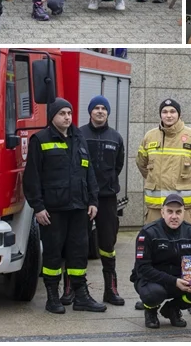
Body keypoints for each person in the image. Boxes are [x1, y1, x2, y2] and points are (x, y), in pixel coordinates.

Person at [22, 98, 105, 315]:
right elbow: (32, 178)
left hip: (79, 209)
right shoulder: (40, 140)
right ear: (52, 116)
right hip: (53, 211)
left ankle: (81, 297)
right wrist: (38, 207)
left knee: (78, 255)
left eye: (69, 113)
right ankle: (52, 296)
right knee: (52, 256)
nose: (67, 117)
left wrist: (93, 201)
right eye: (62, 113)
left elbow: (89, 173)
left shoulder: (79, 138)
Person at [136, 98, 191, 315]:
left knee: (188, 254)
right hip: (154, 209)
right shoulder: (149, 137)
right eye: (165, 111)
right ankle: (146, 292)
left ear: (179, 115)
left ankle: (190, 297)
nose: (168, 115)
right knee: (148, 254)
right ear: (160, 115)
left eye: (172, 111)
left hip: (184, 210)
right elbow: (141, 163)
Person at [131, 193, 191, 329]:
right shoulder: (148, 233)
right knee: (154, 294)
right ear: (162, 212)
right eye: (170, 211)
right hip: (153, 282)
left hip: (182, 281)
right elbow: (142, 268)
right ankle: (151, 310)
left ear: (184, 213)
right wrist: (174, 281)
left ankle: (172, 308)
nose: (174, 216)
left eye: (178, 212)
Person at [79, 95, 126, 306]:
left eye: (103, 108)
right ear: (90, 112)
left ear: (108, 112)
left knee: (108, 244)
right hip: (82, 197)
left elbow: (118, 165)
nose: (99, 111)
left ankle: (110, 290)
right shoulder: (79, 134)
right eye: (96, 108)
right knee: (77, 244)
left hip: (107, 198)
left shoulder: (116, 137)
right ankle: (74, 289)